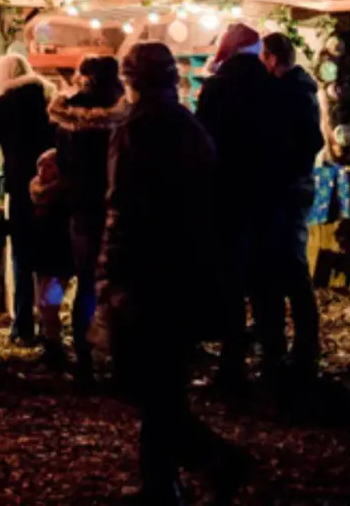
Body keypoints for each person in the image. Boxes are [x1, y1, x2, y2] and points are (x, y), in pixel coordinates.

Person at [98, 42, 245, 503]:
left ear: (131, 80)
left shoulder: (135, 130)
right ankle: (164, 483)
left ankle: (208, 462)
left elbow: (122, 206)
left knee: (146, 382)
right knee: (163, 382)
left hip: (146, 270)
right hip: (186, 267)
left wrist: (109, 270)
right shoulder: (190, 128)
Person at [196, 21, 289, 388]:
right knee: (267, 281)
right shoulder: (275, 89)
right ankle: (273, 360)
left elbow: (204, 145)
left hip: (228, 198)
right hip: (268, 196)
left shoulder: (216, 90)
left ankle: (231, 363)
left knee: (231, 282)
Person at [51, 54, 127, 384]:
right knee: (120, 283)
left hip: (82, 206)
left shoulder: (68, 118)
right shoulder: (125, 112)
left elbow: (63, 163)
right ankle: (121, 359)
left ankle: (84, 358)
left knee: (85, 283)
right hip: (121, 207)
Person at [0, 53, 56, 345]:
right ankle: (52, 322)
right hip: (50, 187)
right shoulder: (50, 96)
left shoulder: (6, 101)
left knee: (22, 258)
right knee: (48, 260)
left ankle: (23, 324)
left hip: (21, 188)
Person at [260, 32, 325, 383]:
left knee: (287, 270)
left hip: (284, 189)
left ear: (271, 59)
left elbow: (307, 141)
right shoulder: (303, 90)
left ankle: (297, 351)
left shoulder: (289, 93)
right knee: (289, 269)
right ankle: (298, 349)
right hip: (294, 188)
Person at [28, 148, 74, 371]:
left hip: (58, 254)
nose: (43, 170)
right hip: (43, 254)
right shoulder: (37, 191)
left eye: (49, 165)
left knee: (49, 301)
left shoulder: (61, 194)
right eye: (40, 165)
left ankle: (54, 347)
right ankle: (50, 343)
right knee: (43, 302)